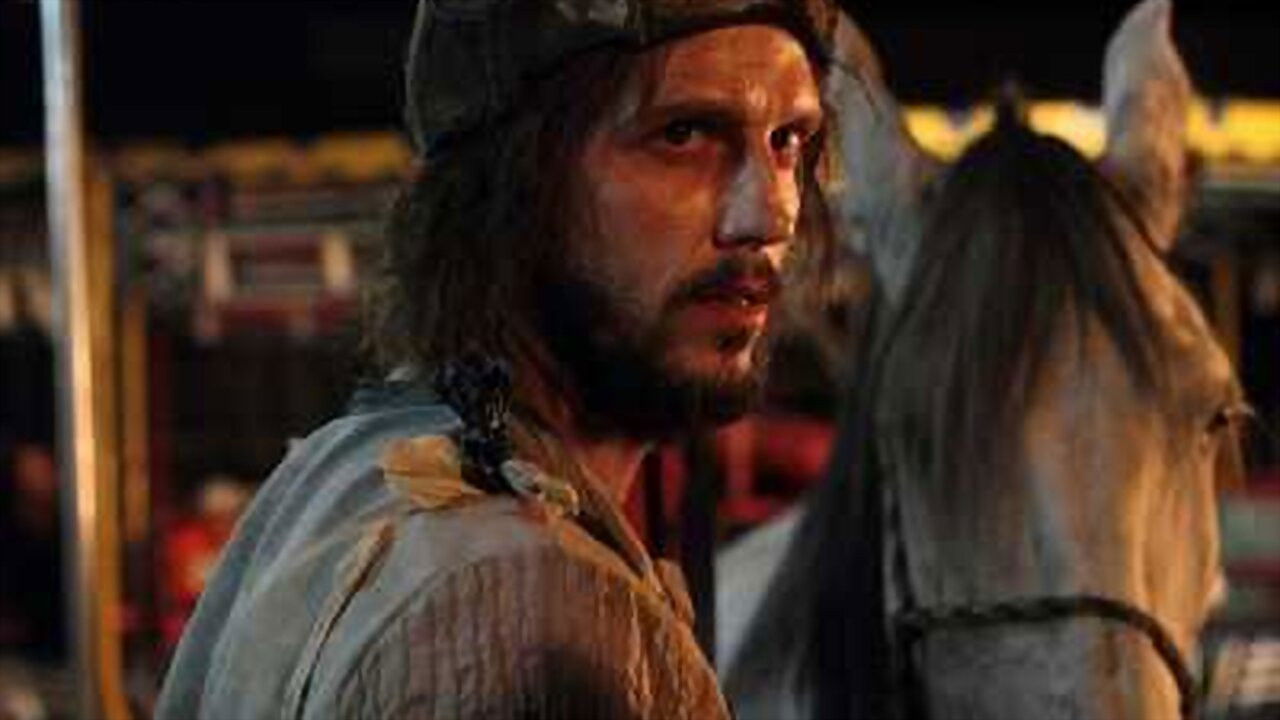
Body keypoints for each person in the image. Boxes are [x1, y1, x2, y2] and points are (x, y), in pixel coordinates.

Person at [156, 0, 838, 717]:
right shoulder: (519, 609)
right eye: (684, 134)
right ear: (511, 188)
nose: (771, 214)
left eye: (788, 140)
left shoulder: (339, 470)